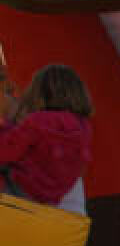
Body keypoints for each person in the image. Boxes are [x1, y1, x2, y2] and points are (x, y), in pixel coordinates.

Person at [0, 63, 93, 213]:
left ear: (39, 94)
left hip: (22, 191)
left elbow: (6, 151)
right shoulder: (84, 127)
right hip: (52, 198)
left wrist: (5, 123)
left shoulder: (38, 121)